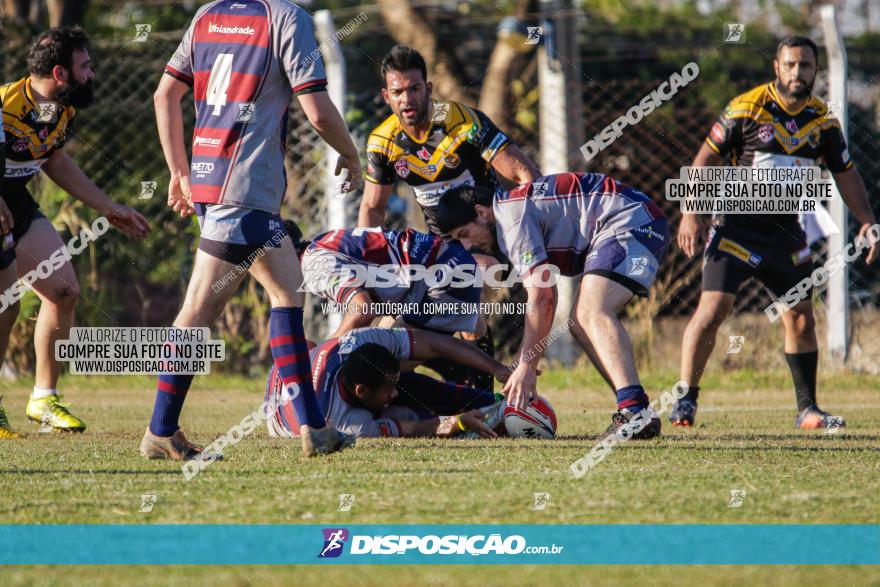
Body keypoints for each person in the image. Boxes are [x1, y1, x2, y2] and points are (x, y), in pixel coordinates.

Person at [143, 0, 362, 459]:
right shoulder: (286, 18)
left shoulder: (207, 15)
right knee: (198, 309)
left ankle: (314, 428)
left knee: (287, 291)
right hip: (240, 190)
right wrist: (351, 153)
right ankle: (160, 430)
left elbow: (165, 94)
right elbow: (318, 111)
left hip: (218, 184)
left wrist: (180, 170)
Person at [672, 36, 878, 430]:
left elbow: (846, 175)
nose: (798, 72)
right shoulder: (746, 108)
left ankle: (808, 409)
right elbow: (703, 162)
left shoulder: (824, 122)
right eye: (790, 64)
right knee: (712, 311)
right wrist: (691, 212)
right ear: (777, 67)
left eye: (805, 66)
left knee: (801, 318)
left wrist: (867, 220)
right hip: (736, 228)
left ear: (816, 70)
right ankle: (685, 399)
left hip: (787, 236)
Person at [358, 45, 542, 390]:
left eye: (414, 88)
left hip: (489, 233)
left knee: (467, 299)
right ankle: (455, 386)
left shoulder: (463, 123)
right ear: (386, 96)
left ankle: (481, 395)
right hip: (439, 245)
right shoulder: (383, 142)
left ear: (428, 88)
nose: (407, 99)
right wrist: (366, 262)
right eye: (397, 92)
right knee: (390, 326)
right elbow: (371, 209)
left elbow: (525, 174)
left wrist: (534, 231)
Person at [436, 173, 670, 440]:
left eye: (465, 234)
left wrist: (526, 365)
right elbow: (545, 295)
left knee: (590, 312)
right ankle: (635, 411)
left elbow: (543, 298)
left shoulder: (511, 219)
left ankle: (634, 411)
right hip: (632, 219)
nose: (467, 245)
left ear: (480, 212)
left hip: (633, 221)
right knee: (580, 322)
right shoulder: (511, 211)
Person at [0, 27, 150, 437]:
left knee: (63, 290)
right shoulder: (5, 103)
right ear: (60, 72)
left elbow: (54, 159)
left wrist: (108, 207)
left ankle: (43, 399)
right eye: (86, 67)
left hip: (16, 204)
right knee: (7, 305)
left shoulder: (60, 107)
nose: (92, 74)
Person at [265, 326, 509, 439]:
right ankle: (491, 419)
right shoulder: (345, 424)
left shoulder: (360, 340)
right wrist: (458, 424)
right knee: (408, 413)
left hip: (296, 371)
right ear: (361, 391)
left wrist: (498, 369)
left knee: (411, 385)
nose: (393, 393)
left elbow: (434, 343)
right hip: (276, 415)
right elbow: (414, 430)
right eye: (386, 389)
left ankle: (499, 404)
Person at [300, 226, 481, 339]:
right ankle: (481, 376)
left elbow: (363, 310)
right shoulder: (321, 242)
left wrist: (326, 350)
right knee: (386, 341)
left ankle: (483, 386)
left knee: (382, 369)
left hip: (438, 275)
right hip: (446, 261)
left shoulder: (312, 263)